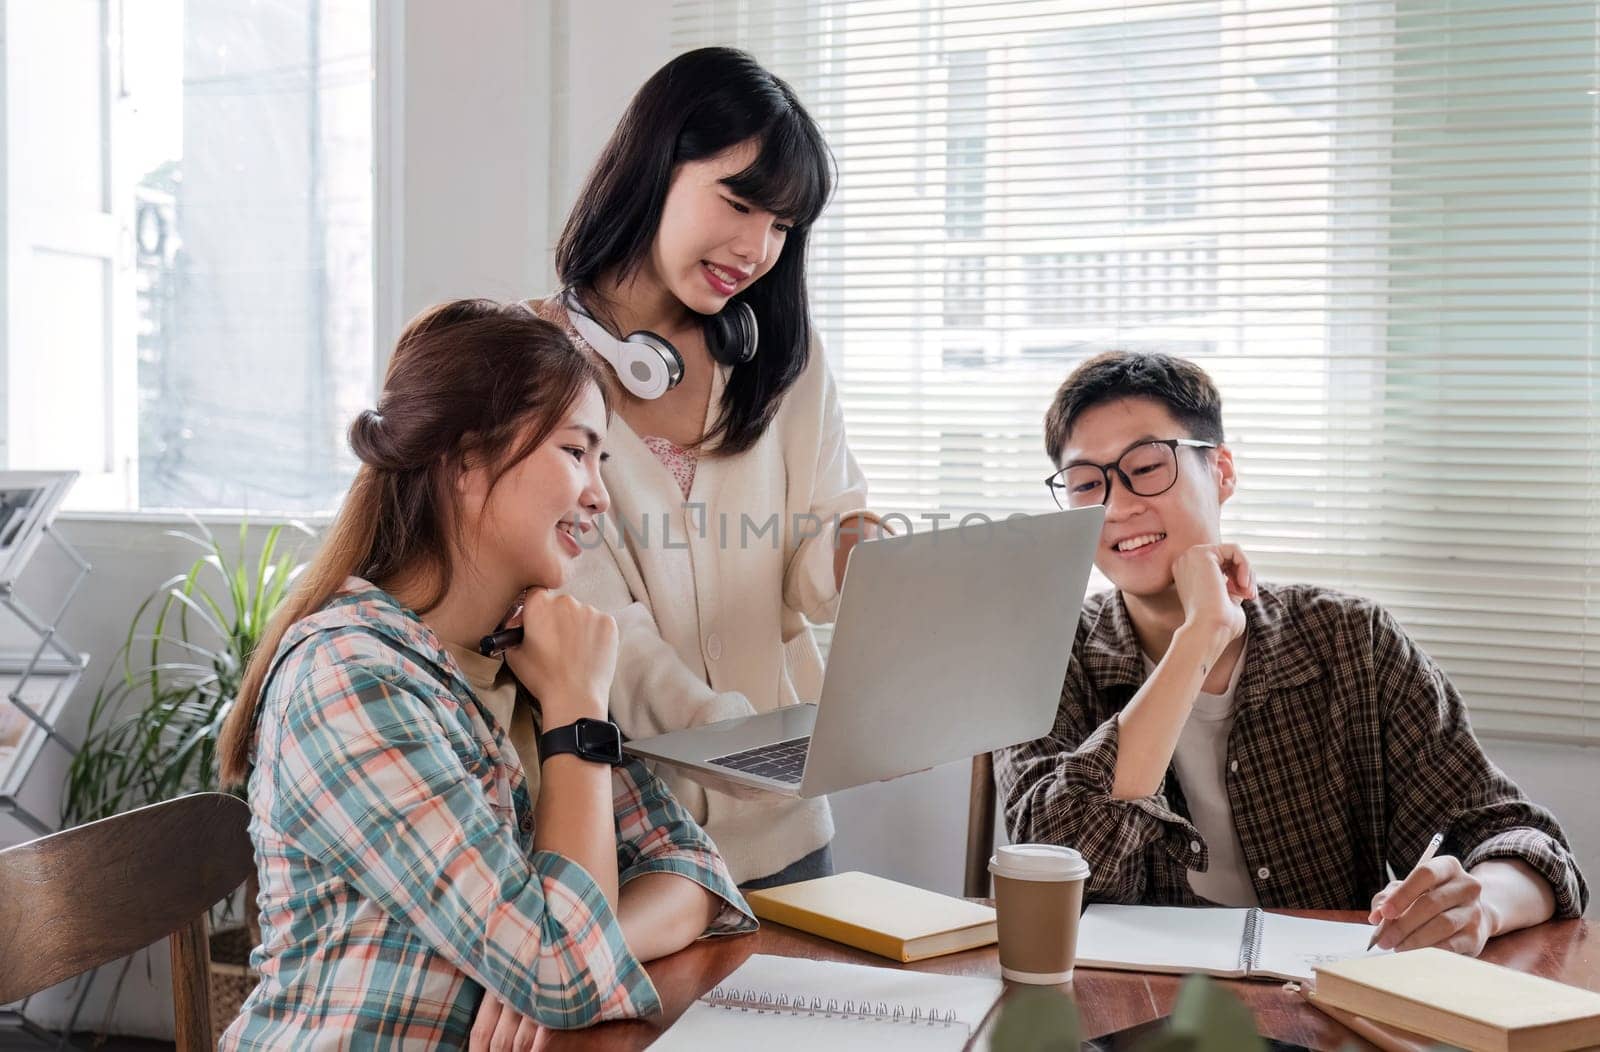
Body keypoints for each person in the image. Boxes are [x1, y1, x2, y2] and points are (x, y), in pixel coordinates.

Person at [215, 299, 754, 1049]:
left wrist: (577, 955)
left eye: (602, 459)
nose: (600, 492)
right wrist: (575, 708)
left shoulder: (523, 655)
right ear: (466, 461)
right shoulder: (349, 681)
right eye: (575, 452)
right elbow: (561, 967)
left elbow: (696, 873)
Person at [994, 350, 1587, 955]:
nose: (1117, 507)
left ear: (1221, 471)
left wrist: (1478, 906)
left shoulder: (1349, 641)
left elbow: (1520, 840)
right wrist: (1197, 640)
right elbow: (1053, 859)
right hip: (1122, 1009)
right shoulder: (1045, 654)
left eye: (1147, 467)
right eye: (1087, 484)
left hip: (1319, 1006)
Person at [532, 47, 882, 888]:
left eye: (783, 227)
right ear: (657, 163)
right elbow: (598, 626)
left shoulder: (785, 357)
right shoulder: (531, 370)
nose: (759, 248)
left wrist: (859, 554)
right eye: (741, 202)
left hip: (795, 831)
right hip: (636, 844)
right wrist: (749, 746)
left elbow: (813, 555)